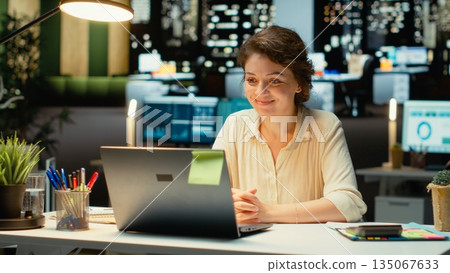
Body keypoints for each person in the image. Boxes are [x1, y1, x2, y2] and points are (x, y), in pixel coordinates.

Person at [212, 25, 367, 224]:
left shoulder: (325, 125)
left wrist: (267, 213)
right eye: (251, 80)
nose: (260, 91)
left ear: (299, 84)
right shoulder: (234, 123)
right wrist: (228, 201)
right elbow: (200, 187)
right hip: (250, 250)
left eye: (275, 81)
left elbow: (348, 204)